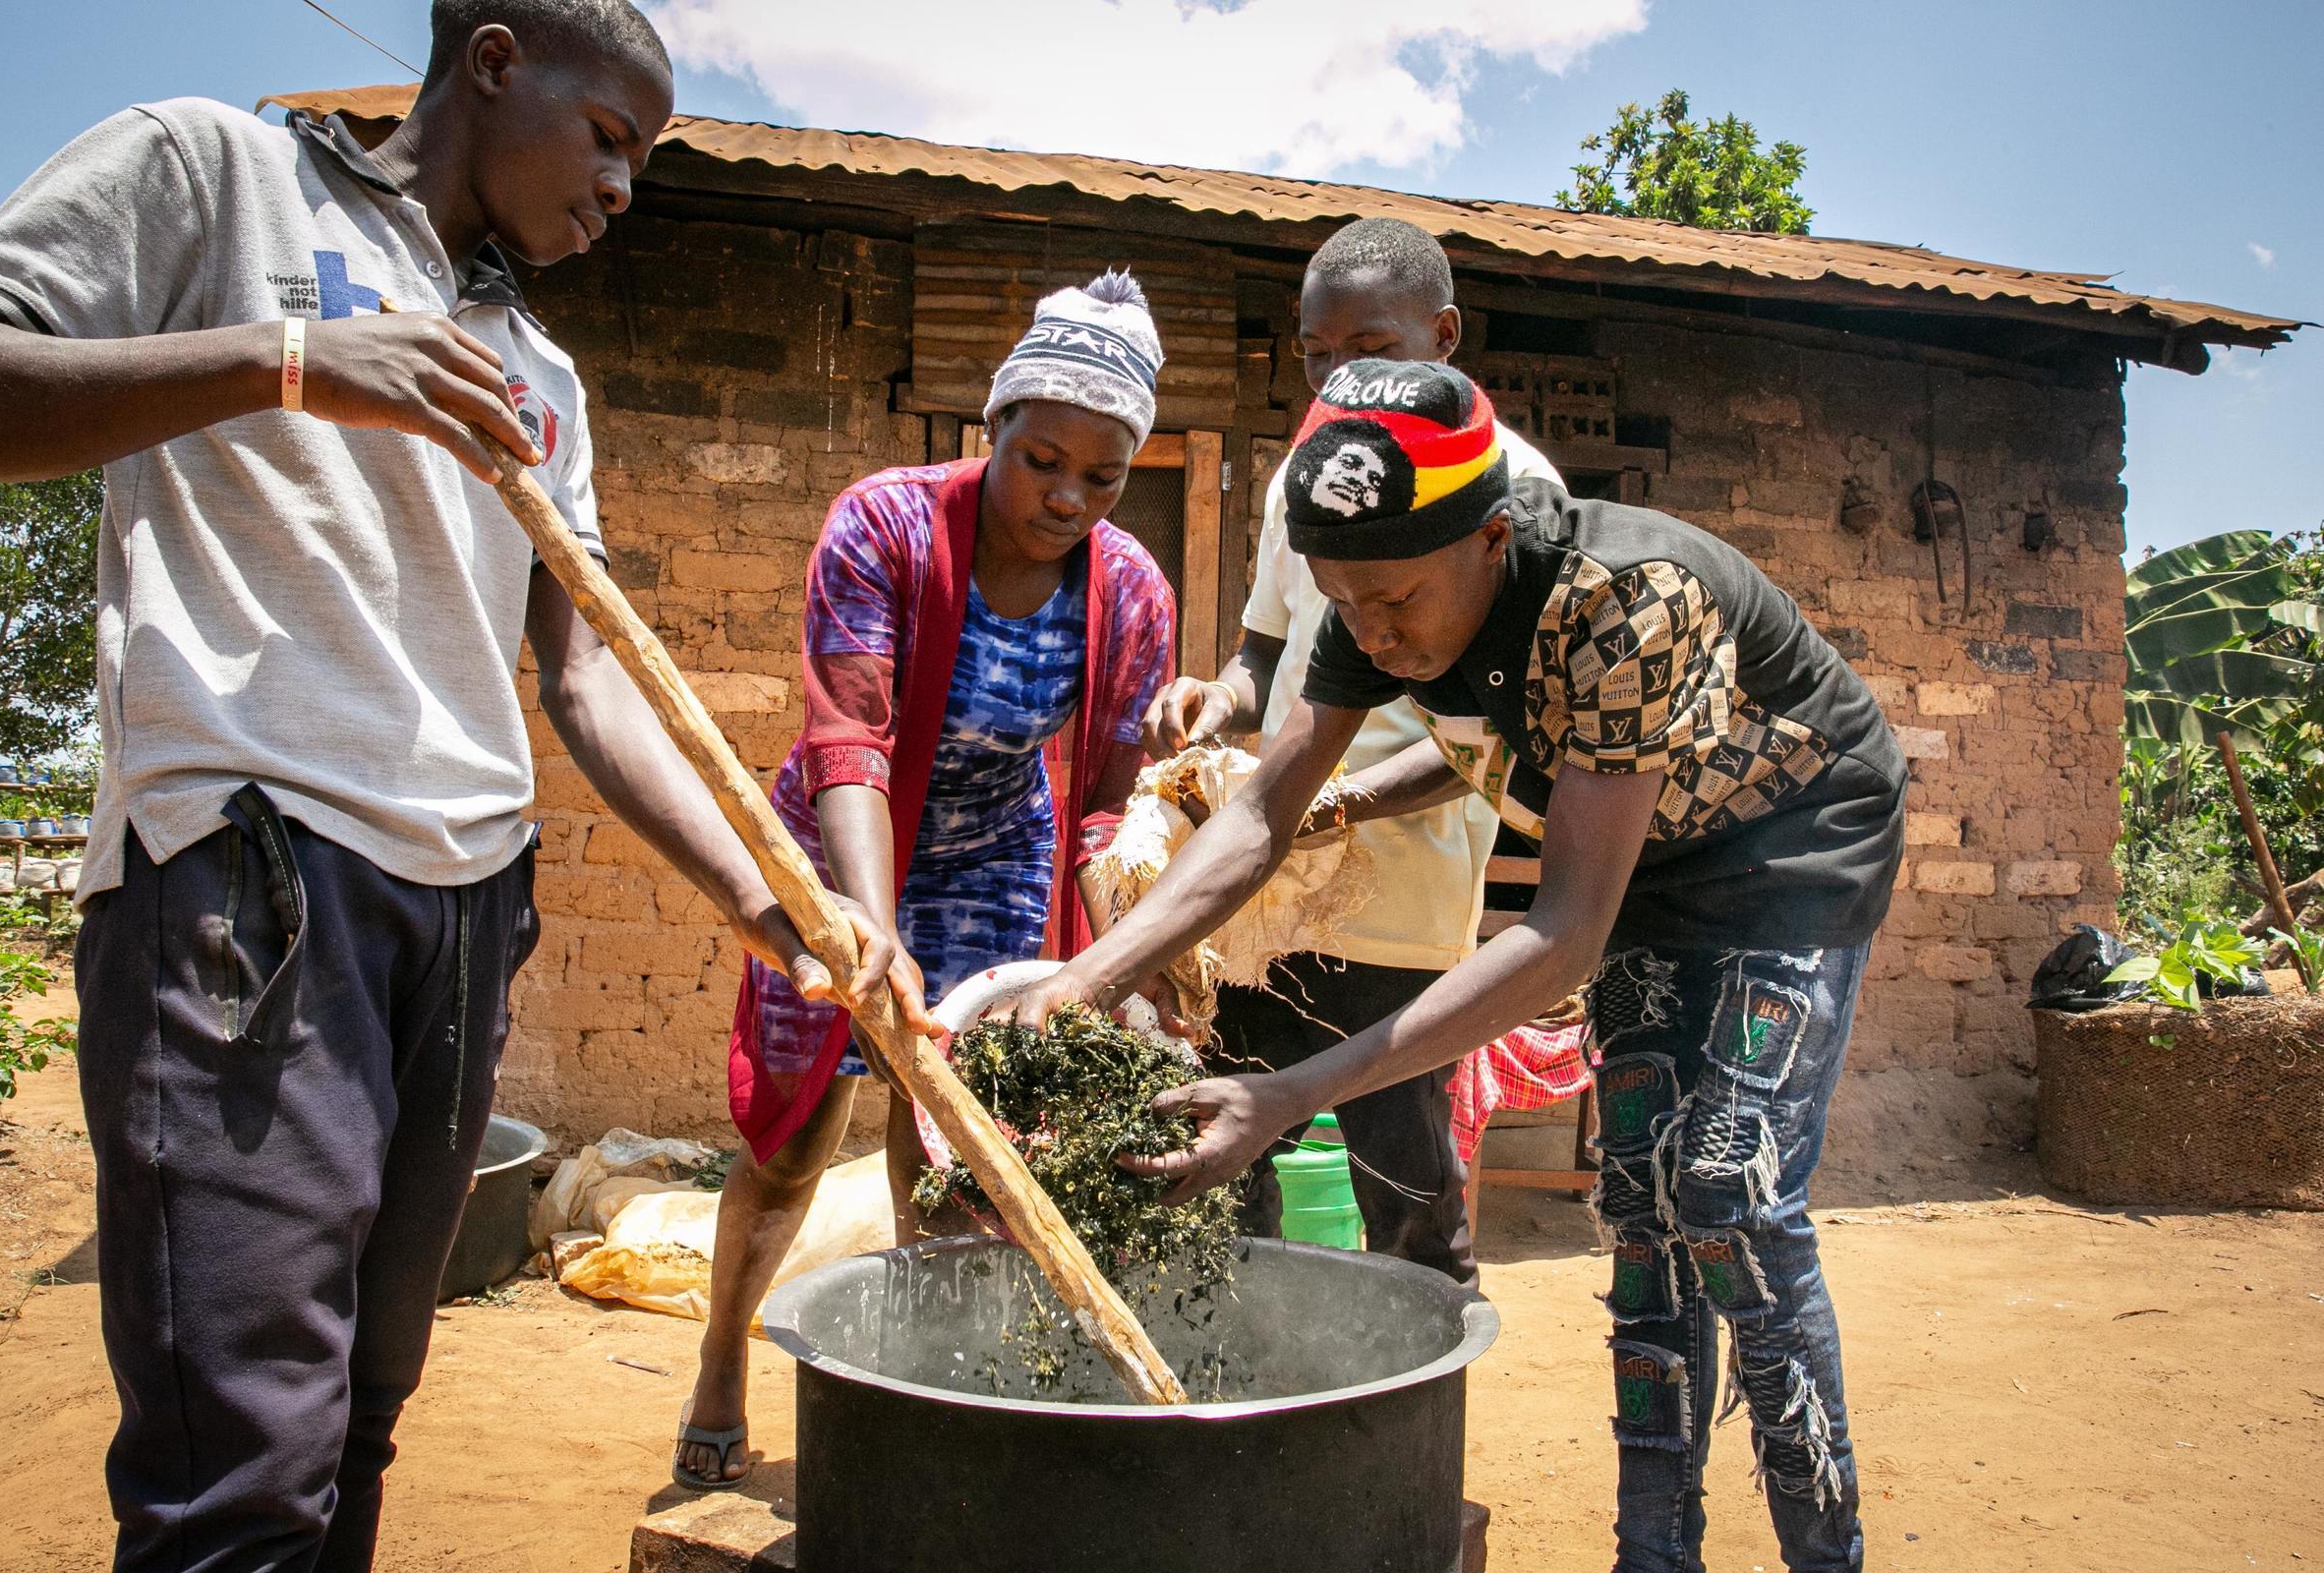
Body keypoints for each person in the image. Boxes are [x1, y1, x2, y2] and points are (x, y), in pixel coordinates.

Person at [0, 6, 902, 1568]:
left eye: (644, 164)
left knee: (360, 1423)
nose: (622, 191)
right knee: (240, 1459)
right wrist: (286, 361)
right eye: (609, 139)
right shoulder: (216, 175)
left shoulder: (539, 373)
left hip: (464, 911)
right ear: (490, 62)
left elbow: (590, 678)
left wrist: (762, 901)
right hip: (245, 881)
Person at [1015, 360, 1903, 1572]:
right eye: (1344, 603)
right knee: (1640, 1205)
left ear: (1490, 539)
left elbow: (1563, 930)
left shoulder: (1627, 599)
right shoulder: (1377, 595)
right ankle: (1656, 1551)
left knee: (1728, 1192)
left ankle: (1826, 1552)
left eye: (1393, 602)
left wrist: (1289, 1092)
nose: (1372, 634)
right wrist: (1086, 978)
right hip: (1644, 855)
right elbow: (1265, 812)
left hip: (1795, 842)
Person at [672, 270, 1179, 1488]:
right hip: (844, 836)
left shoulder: (1131, 594)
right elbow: (848, 733)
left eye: (1102, 478)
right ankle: (721, 1366)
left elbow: (1107, 805)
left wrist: (1129, 960)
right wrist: (868, 926)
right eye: (1042, 457)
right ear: (993, 426)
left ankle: (923, 1399)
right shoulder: (884, 524)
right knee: (796, 1143)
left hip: (1001, 850)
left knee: (952, 1142)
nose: (1067, 495)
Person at [1137, 216, 1561, 1284]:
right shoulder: (1305, 479)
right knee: (1227, 1163)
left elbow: (1488, 745)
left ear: (1445, 335)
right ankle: (1257, 1378)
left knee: (1407, 1188)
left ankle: (1410, 1414)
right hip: (1265, 899)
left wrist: (1330, 807)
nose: (1337, 374)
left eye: (1369, 347)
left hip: (1400, 911)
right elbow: (1266, 657)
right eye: (1317, 353)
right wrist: (1215, 703)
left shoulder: (1511, 490)